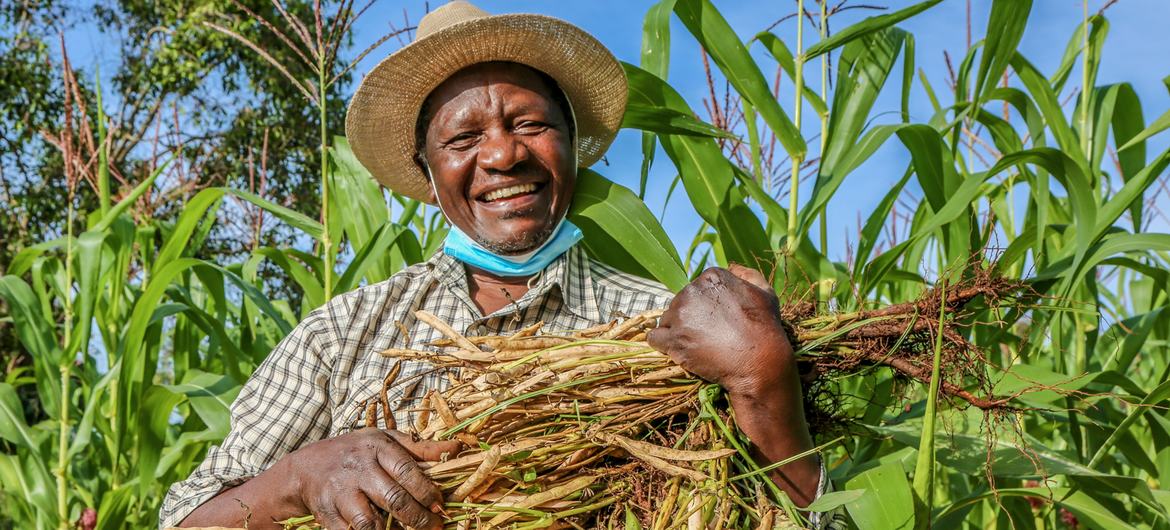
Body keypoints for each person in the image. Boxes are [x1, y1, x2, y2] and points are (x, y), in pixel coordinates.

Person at [161, 2, 845, 529]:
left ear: (574, 149)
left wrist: (764, 382)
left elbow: (821, 518)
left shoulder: (666, 332)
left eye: (530, 125)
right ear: (427, 175)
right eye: (464, 137)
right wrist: (299, 477)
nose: (502, 156)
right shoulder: (344, 335)